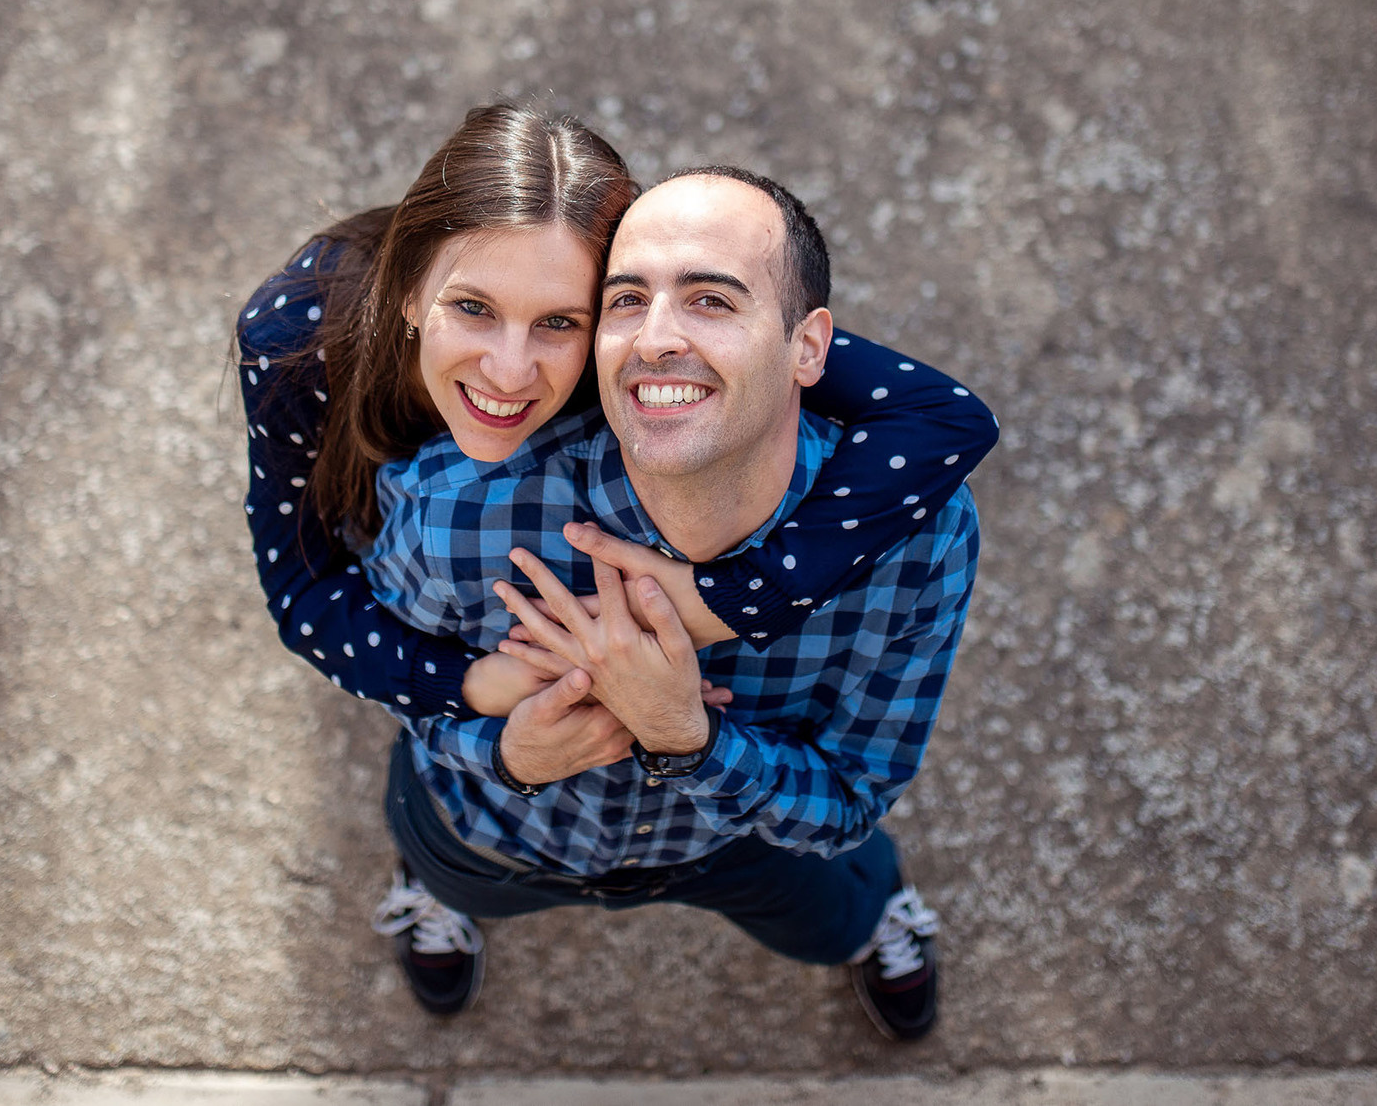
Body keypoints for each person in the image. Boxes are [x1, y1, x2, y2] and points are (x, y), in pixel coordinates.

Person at [234, 105, 995, 1036]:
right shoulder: (318, 354)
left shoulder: (667, 358)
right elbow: (306, 591)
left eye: (562, 321)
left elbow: (946, 418)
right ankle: (435, 885)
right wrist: (472, 695)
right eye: (473, 308)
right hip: (493, 799)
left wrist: (730, 608)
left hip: (735, 837)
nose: (510, 371)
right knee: (444, 841)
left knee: (835, 908)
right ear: (408, 295)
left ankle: (869, 921)